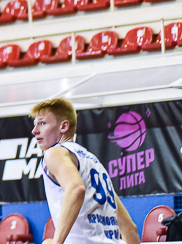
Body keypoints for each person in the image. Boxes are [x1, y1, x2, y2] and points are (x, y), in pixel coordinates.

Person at [30, 98, 139, 244]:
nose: (34, 131)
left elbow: (76, 189)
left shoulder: (55, 152)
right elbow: (130, 228)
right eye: (35, 124)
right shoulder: (94, 162)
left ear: (64, 126)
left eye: (42, 123)